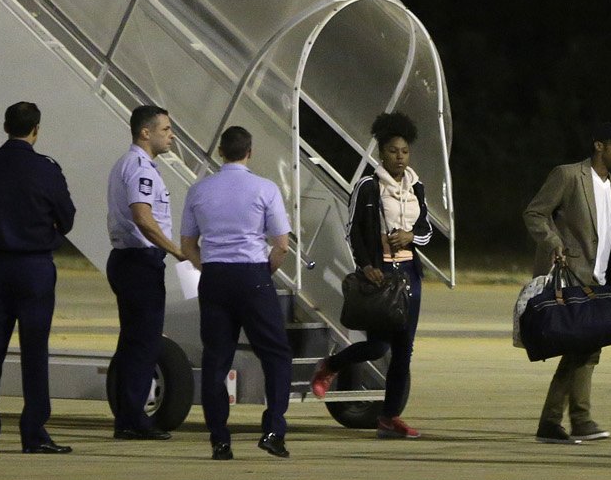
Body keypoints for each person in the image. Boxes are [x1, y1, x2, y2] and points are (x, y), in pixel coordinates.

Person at [309, 112, 433, 439]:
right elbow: (352, 232)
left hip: (409, 275)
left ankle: (389, 418)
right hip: (381, 275)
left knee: (404, 352)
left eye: (404, 151)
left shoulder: (416, 185)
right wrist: (366, 265)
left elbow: (426, 231)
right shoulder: (368, 186)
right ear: (381, 153)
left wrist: (410, 236)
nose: (400, 157)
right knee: (378, 347)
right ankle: (331, 365)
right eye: (393, 151)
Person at [522, 123, 611, 444]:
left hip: (606, 281)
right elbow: (535, 213)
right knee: (583, 350)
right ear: (598, 145)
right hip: (574, 276)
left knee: (584, 350)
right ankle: (579, 419)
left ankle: (554, 422)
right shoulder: (568, 175)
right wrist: (552, 242)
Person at [180, 126, 293, 460]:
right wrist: (265, 269)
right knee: (276, 354)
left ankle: (220, 439)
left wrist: (207, 267)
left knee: (216, 359)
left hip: (215, 276)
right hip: (253, 275)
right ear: (250, 151)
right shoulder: (265, 188)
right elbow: (282, 245)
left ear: (220, 152)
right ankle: (273, 429)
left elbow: (187, 244)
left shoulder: (199, 190)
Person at [0, 102, 76, 454]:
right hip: (33, 268)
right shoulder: (46, 169)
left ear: (5, 127)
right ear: (36, 130)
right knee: (34, 351)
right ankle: (33, 432)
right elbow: (67, 217)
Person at [105, 104, 185, 441]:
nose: (171, 136)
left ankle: (127, 415)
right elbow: (142, 216)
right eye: (165, 129)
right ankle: (133, 419)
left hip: (128, 261)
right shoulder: (140, 169)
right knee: (143, 342)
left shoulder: (128, 164)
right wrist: (177, 251)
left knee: (132, 340)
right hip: (139, 262)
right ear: (145, 132)